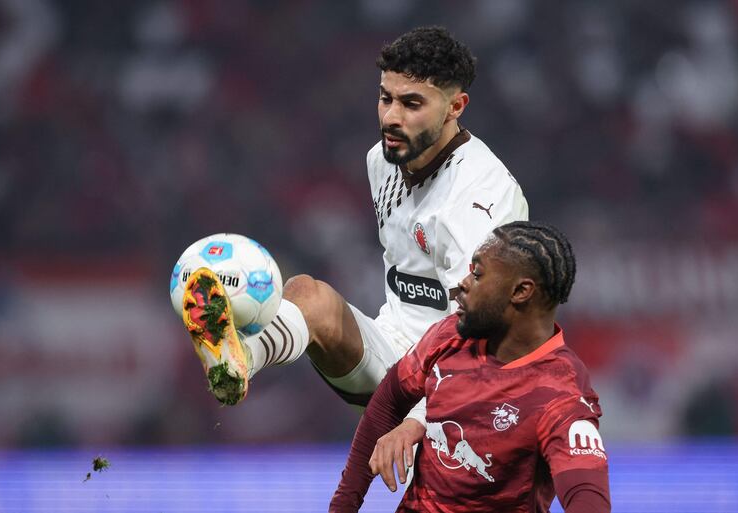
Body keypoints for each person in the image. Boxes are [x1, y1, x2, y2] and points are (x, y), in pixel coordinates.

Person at [181, 27, 529, 440]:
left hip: (468, 387)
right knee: (308, 294)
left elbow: (483, 337)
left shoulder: (481, 200)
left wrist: (419, 418)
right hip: (393, 352)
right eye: (386, 99)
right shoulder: (382, 161)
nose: (391, 117)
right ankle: (237, 362)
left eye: (412, 103)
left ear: (455, 106)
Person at [330, 221, 611, 513]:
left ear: (521, 292)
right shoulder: (451, 334)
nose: (462, 284)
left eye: (477, 274)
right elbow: (388, 401)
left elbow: (587, 497)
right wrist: (342, 507)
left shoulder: (560, 393)